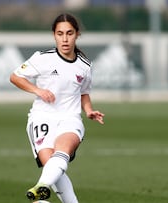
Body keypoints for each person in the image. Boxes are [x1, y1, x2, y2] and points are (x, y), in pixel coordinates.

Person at [10, 13, 105, 203]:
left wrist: (88, 111)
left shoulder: (85, 66)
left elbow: (84, 93)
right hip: (41, 118)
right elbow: (15, 77)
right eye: (60, 33)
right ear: (54, 35)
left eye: (69, 33)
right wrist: (38, 90)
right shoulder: (42, 58)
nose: (65, 38)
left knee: (59, 156)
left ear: (77, 34)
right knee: (53, 169)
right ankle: (42, 194)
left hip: (70, 119)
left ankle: (40, 188)